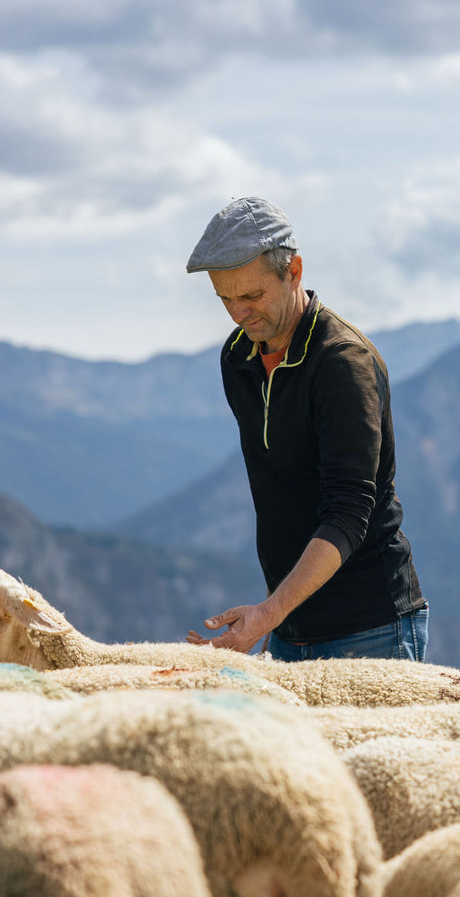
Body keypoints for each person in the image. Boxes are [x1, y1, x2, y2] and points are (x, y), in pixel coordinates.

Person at [183, 196, 427, 660]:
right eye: (225, 298)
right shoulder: (238, 357)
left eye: (252, 296)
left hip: (371, 629)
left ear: (293, 271)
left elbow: (349, 512)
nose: (238, 313)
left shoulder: (342, 363)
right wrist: (274, 617)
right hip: (288, 627)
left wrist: (268, 613)